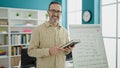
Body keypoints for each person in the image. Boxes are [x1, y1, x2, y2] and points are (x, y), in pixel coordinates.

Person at [28, 1, 74, 68]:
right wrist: (48, 51)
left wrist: (68, 50)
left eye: (58, 11)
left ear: (61, 13)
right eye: (53, 11)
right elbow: (31, 51)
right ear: (48, 12)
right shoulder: (38, 30)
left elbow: (64, 52)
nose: (55, 14)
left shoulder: (65, 31)